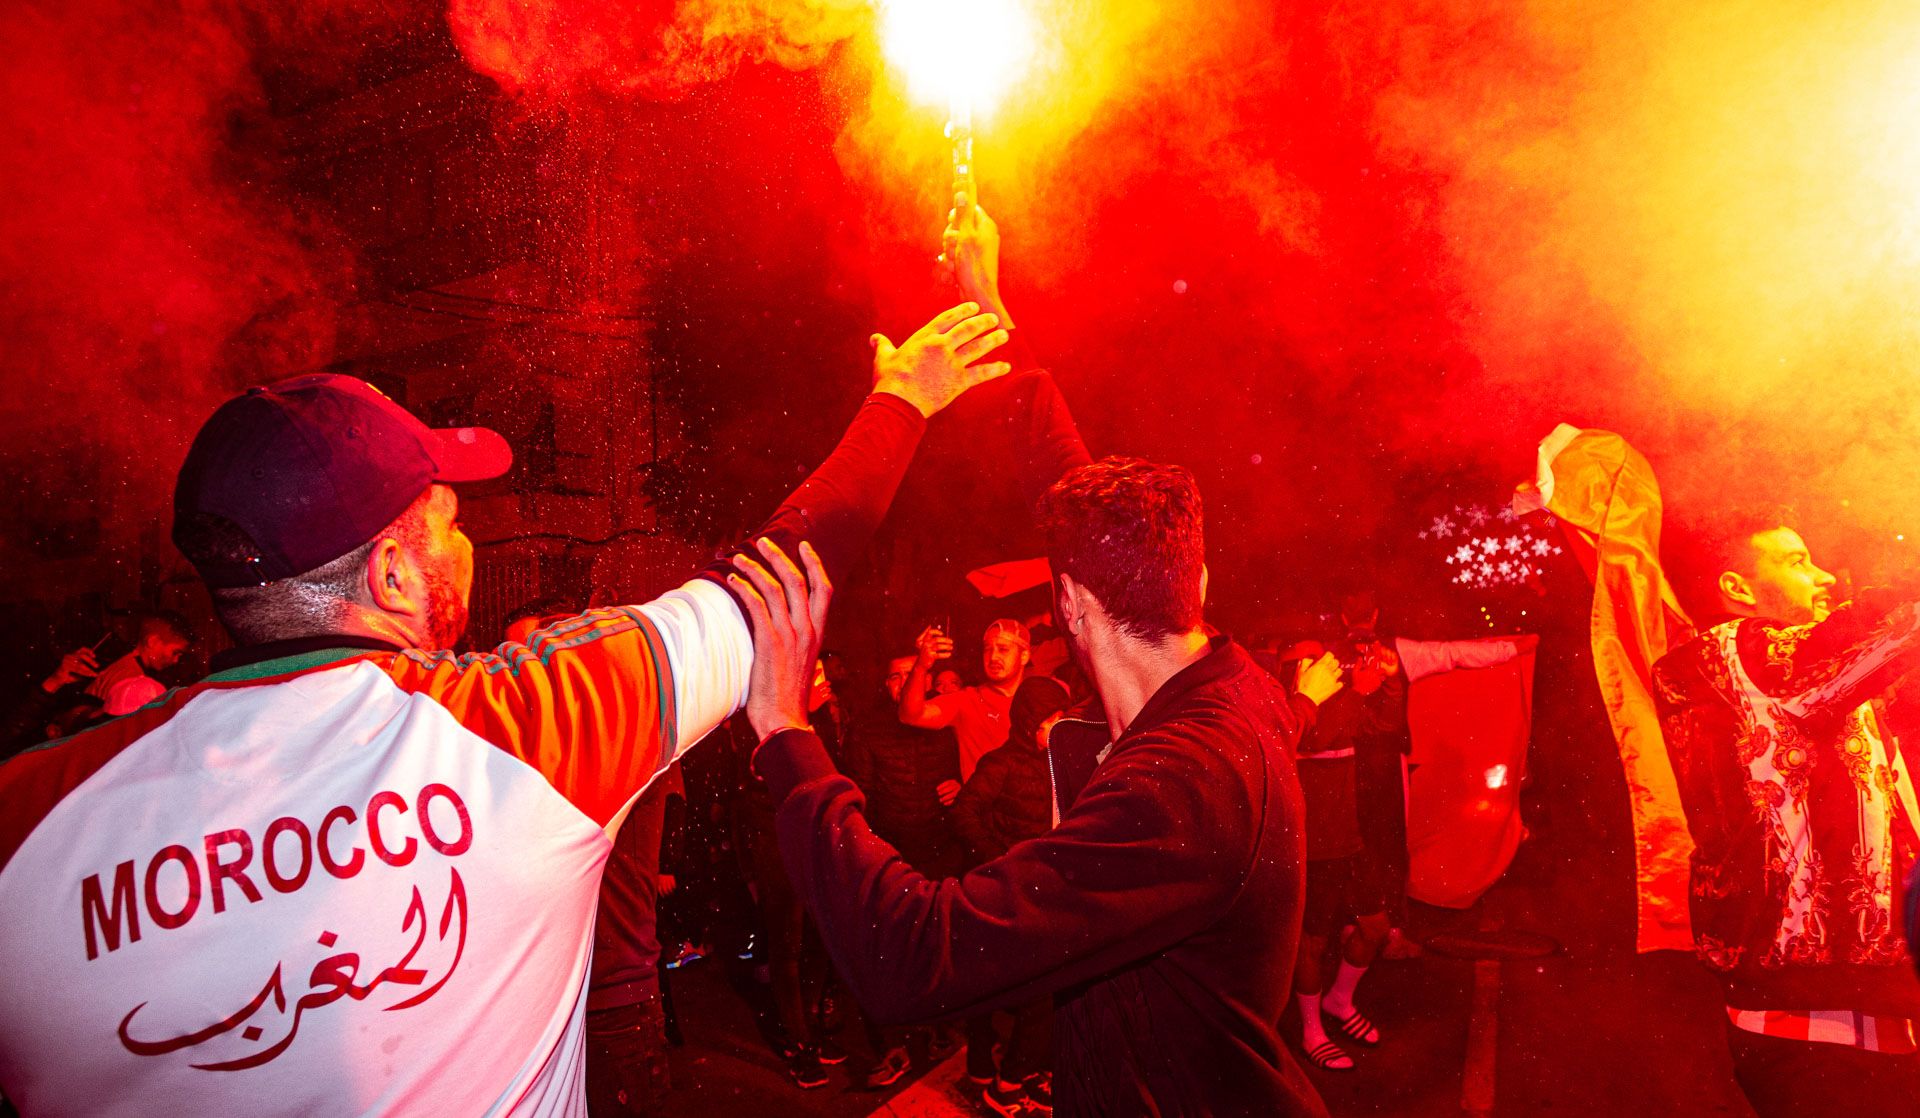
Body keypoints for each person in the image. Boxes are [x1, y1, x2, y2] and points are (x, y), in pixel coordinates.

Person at [0, 299, 1011, 1116]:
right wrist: (904, 397)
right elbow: (781, 577)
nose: (466, 542)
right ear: (394, 573)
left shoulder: (29, 810)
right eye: (449, 517)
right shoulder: (528, 724)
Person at [730, 455, 1345, 1117]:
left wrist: (784, 725)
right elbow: (1286, 716)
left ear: (1070, 607)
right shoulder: (1247, 692)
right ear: (1196, 579)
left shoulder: (1175, 782)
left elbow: (907, 957)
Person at [1654, 507, 1920, 1118]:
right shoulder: (1736, 656)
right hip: (1812, 1031)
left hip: (1862, 1017)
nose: (1825, 576)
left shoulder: (1805, 678)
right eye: (1798, 562)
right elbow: (1889, 625)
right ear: (1737, 588)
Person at [1283, 636, 1405, 1071]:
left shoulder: (1340, 701)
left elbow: (1386, 725)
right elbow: (1314, 737)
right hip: (1314, 849)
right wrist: (1358, 691)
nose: (1323, 663)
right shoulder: (1296, 705)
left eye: (1324, 656)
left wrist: (1390, 685)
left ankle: (1339, 1001)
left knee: (1376, 928)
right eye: (1309, 656)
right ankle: (1311, 1031)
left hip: (1349, 843)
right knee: (1310, 945)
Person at [951, 675, 1071, 1115]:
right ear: (1028, 720)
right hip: (1010, 892)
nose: (1055, 729)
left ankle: (1004, 1069)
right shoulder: (999, 764)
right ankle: (1004, 1082)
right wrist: (1002, 862)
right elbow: (964, 813)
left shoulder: (1053, 763)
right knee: (1038, 995)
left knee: (1013, 990)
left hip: (1041, 893)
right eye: (1049, 721)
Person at [899, 618, 1031, 780]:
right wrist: (921, 666)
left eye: (1003, 649)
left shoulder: (1041, 696)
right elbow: (910, 715)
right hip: (983, 804)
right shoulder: (966, 699)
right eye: (987, 649)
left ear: (1024, 656)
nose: (993, 657)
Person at [86, 611, 192, 717]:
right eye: (175, 653)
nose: (175, 661)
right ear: (153, 642)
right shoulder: (131, 680)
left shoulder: (125, 663)